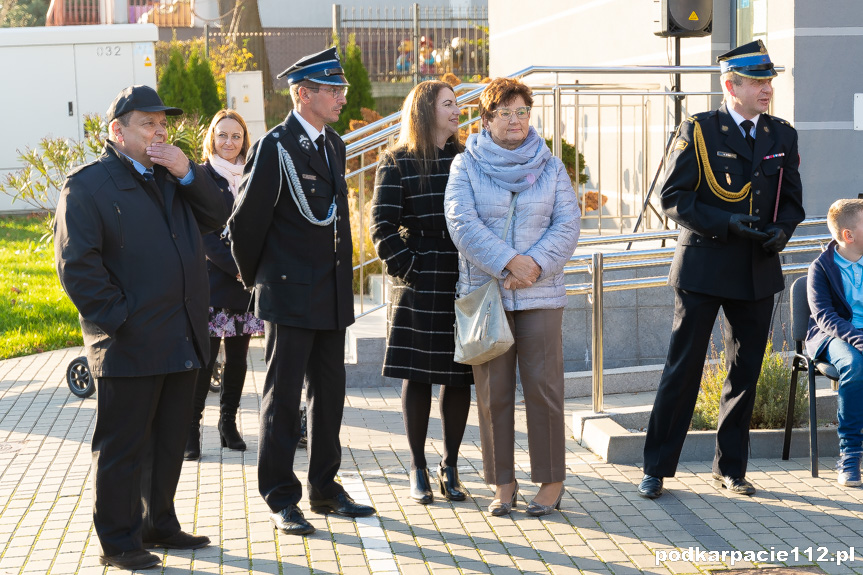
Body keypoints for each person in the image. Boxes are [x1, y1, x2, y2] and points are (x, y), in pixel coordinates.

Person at [53, 85, 225, 571]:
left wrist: (188, 171)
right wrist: (120, 319)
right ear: (117, 131)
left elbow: (218, 215)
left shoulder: (174, 177)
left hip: (182, 332)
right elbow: (77, 266)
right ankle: (119, 541)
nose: (159, 133)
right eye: (147, 124)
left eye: (163, 125)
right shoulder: (88, 185)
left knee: (170, 439)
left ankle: (159, 524)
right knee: (122, 446)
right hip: (129, 340)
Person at [638, 40, 805, 499]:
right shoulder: (699, 130)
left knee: (744, 371)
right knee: (683, 369)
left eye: (769, 80)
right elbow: (672, 198)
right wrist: (727, 222)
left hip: (756, 269)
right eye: (757, 81)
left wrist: (783, 232)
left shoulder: (781, 135)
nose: (766, 88)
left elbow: (791, 201)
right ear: (730, 85)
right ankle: (656, 467)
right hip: (705, 264)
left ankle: (730, 468)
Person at [228, 47, 375, 536]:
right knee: (283, 397)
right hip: (290, 295)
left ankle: (325, 488)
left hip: (330, 293)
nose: (341, 97)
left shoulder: (333, 143)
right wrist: (259, 283)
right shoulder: (276, 145)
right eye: (333, 90)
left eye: (342, 90)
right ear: (303, 93)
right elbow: (245, 224)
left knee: (329, 396)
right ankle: (280, 494)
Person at [444, 77, 580, 517]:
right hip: (488, 297)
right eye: (505, 112)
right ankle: (503, 483)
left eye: (522, 111)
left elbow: (568, 224)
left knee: (544, 389)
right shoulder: (465, 166)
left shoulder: (552, 167)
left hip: (541, 294)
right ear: (485, 120)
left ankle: (551, 480)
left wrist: (534, 264)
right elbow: (461, 224)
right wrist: (508, 262)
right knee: (493, 393)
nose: (516, 120)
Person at [370, 80, 473, 505]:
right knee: (418, 377)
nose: (456, 110)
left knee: (460, 372)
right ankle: (417, 467)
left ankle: (451, 466)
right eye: (448, 104)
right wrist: (413, 268)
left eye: (456, 103)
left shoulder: (468, 157)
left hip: (465, 276)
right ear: (426, 110)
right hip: (418, 279)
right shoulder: (396, 161)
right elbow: (381, 229)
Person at [185, 109, 264, 460]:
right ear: (211, 138)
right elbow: (203, 233)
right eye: (222, 135)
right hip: (215, 281)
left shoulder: (253, 173)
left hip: (245, 287)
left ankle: (228, 423)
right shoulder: (202, 176)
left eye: (236, 136)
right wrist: (238, 267)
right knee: (206, 358)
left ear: (243, 140)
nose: (229, 142)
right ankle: (191, 428)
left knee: (238, 358)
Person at [806, 199, 863, 486]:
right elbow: (825, 317)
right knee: (855, 365)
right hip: (834, 336)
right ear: (848, 235)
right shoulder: (821, 268)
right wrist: (858, 338)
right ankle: (850, 454)